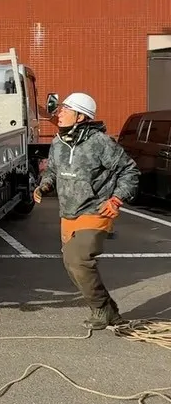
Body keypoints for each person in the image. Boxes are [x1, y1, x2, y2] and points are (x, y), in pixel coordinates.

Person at [34, 92, 140, 328]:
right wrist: (45, 185)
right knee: (71, 265)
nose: (59, 113)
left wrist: (116, 199)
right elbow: (52, 170)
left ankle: (101, 310)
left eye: (65, 110)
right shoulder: (57, 143)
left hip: (95, 210)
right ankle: (108, 311)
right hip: (68, 212)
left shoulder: (100, 143)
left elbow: (129, 171)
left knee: (79, 259)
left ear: (80, 116)